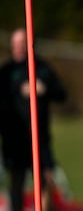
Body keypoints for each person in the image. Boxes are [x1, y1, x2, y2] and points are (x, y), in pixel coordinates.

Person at [0, 28, 67, 211]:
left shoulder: (42, 69)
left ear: (30, 45)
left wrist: (43, 89)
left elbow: (62, 94)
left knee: (46, 179)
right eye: (16, 44)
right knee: (17, 180)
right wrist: (17, 92)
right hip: (14, 138)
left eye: (23, 44)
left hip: (40, 137)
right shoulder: (6, 72)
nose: (19, 48)